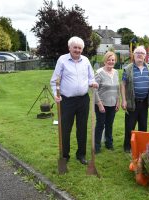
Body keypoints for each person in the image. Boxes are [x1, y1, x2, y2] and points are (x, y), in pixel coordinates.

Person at [50, 36, 98, 165]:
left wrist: (92, 83)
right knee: (65, 129)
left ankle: (81, 155)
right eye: (75, 47)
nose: (77, 50)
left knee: (82, 128)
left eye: (79, 48)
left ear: (82, 49)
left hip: (83, 100)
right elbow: (54, 80)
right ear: (69, 48)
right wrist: (56, 94)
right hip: (67, 101)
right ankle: (65, 155)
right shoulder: (62, 60)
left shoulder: (86, 60)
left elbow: (90, 77)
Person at [121, 46, 149, 153]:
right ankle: (127, 147)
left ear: (145, 56)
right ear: (133, 55)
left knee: (143, 126)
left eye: (142, 53)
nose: (140, 55)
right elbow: (123, 84)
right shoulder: (128, 68)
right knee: (130, 126)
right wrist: (124, 100)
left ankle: (141, 146)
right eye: (137, 53)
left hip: (144, 102)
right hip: (132, 102)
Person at [94, 51, 120, 154]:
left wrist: (118, 102)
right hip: (102, 104)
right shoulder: (99, 73)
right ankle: (97, 146)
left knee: (109, 124)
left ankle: (109, 144)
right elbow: (94, 90)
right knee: (100, 125)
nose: (111, 61)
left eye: (113, 60)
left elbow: (117, 89)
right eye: (109, 60)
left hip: (113, 104)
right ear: (105, 61)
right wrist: (99, 104)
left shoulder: (116, 72)